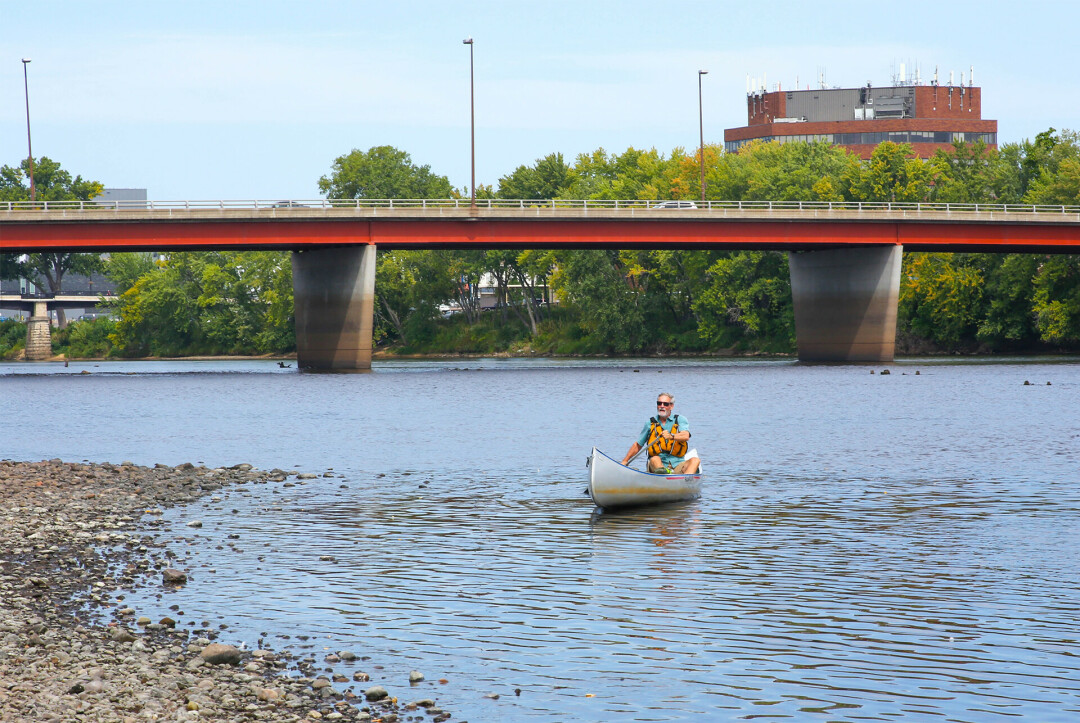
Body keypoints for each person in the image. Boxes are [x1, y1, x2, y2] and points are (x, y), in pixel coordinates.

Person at [620, 393, 700, 474]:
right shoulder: (650, 423)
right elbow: (638, 445)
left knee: (695, 461)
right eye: (659, 403)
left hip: (677, 463)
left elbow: (686, 436)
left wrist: (671, 436)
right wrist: (625, 461)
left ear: (671, 406)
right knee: (655, 459)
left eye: (665, 404)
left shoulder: (680, 420)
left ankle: (685, 481)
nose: (662, 406)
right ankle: (664, 475)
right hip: (656, 464)